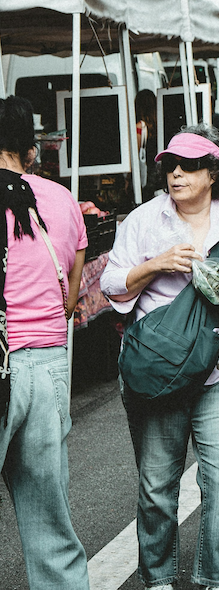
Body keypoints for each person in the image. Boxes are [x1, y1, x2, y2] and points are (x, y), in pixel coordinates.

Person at [101, 124, 219, 590]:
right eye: (170, 166)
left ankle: (217, 579)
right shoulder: (143, 220)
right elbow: (111, 285)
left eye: (188, 166)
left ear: (213, 174)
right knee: (158, 488)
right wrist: (156, 264)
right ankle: (158, 579)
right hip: (159, 375)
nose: (176, 174)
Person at [0, 96, 90, 590]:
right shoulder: (62, 200)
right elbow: (71, 298)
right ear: (30, 151)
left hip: (2, 358)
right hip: (49, 367)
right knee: (49, 526)